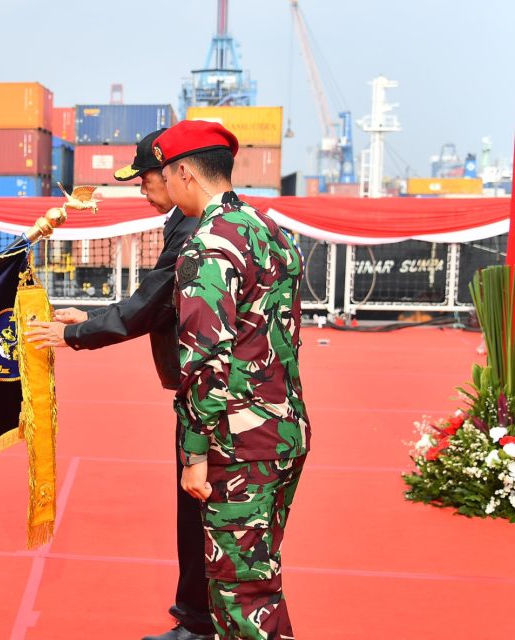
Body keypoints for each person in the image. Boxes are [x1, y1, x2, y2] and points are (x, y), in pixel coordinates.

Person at [25, 130, 213, 640]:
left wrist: (74, 334)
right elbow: (154, 298)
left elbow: (154, 304)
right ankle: (199, 618)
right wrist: (90, 316)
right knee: (198, 517)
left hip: (218, 402)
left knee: (208, 518)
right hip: (204, 396)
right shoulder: (185, 221)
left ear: (179, 172)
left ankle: (202, 624)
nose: (141, 190)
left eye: (145, 178)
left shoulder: (203, 229)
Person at [160, 120, 311, 640]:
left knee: (241, 595)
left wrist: (194, 453)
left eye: (165, 175)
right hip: (285, 432)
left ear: (184, 172)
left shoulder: (208, 245)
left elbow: (205, 359)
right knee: (256, 580)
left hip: (237, 443)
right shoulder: (271, 230)